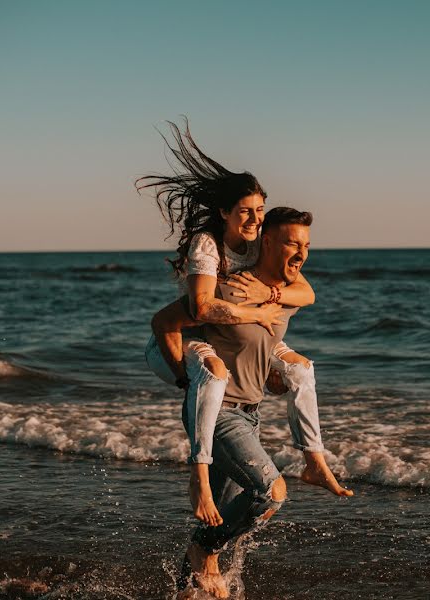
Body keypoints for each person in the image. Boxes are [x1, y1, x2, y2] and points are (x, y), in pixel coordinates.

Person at [147, 208, 352, 597]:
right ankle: (203, 551)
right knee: (270, 493)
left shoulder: (288, 293)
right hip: (217, 414)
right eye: (292, 242)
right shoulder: (229, 288)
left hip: (250, 414)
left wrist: (274, 373)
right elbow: (165, 322)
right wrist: (182, 376)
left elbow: (305, 296)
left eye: (307, 244)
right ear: (267, 242)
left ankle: (185, 591)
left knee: (217, 520)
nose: (302, 252)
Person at [137, 119, 323, 527]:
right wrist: (254, 314)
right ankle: (196, 474)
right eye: (245, 212)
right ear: (223, 213)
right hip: (174, 343)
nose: (255, 219)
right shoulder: (209, 245)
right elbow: (200, 309)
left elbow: (304, 291)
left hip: (220, 343)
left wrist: (265, 297)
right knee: (212, 375)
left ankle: (199, 575)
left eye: (260, 209)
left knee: (297, 368)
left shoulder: (261, 242)